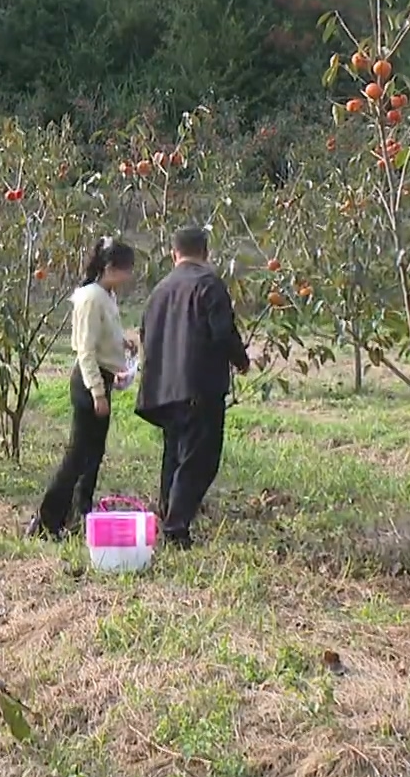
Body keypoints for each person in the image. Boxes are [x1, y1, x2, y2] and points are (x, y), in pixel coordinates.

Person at [135, 226, 249, 546]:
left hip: (165, 387)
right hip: (199, 386)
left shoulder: (159, 290)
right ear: (206, 252)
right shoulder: (209, 283)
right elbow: (223, 331)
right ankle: (176, 527)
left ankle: (167, 516)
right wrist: (240, 360)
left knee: (175, 454)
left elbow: (145, 334)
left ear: (174, 254)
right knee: (199, 459)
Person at [29, 238, 137, 539]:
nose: (128, 276)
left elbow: (104, 335)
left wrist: (122, 344)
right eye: (126, 270)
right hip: (90, 382)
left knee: (93, 454)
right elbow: (85, 351)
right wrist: (97, 392)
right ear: (110, 267)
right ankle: (47, 520)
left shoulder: (106, 295)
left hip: (103, 377)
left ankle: (79, 514)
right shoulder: (91, 297)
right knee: (77, 455)